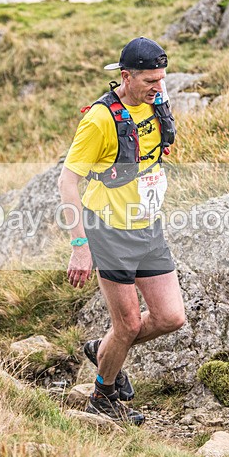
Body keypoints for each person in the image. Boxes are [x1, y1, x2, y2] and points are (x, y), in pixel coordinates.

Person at [57, 36, 186, 425]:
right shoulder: (98, 120)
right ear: (125, 77)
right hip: (108, 230)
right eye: (149, 81)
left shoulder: (155, 101)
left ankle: (105, 349)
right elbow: (66, 182)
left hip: (147, 226)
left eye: (161, 79)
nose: (157, 88)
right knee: (128, 323)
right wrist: (80, 246)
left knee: (170, 317)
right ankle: (103, 395)